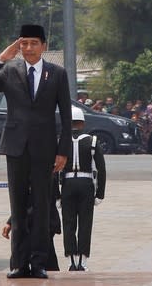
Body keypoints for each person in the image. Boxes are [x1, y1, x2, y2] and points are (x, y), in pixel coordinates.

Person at [0, 24, 72, 279]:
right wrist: (1, 58)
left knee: (41, 205)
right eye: (24, 43)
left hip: (45, 148)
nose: (28, 48)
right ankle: (19, 263)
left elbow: (66, 114)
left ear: (43, 46)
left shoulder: (58, 73)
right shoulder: (9, 70)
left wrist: (63, 151)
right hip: (16, 146)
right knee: (17, 206)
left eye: (33, 43)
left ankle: (39, 262)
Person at [57, 107, 106, 272]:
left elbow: (54, 169)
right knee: (85, 223)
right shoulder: (92, 141)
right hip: (86, 185)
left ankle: (72, 260)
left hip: (68, 185)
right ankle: (83, 262)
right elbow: (101, 169)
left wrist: (56, 195)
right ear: (82, 123)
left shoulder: (61, 141)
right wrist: (100, 194)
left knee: (69, 223)